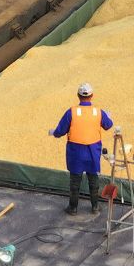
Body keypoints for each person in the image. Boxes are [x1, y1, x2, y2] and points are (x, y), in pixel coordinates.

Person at [49, 82, 114, 215]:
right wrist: (108, 116)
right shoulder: (98, 111)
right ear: (92, 96)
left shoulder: (71, 112)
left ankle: (73, 208)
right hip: (92, 151)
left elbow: (60, 131)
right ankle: (95, 207)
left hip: (75, 152)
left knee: (75, 180)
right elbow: (108, 125)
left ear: (78, 96)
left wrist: (53, 132)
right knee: (93, 179)